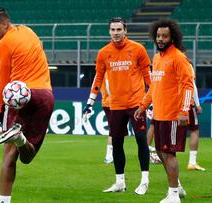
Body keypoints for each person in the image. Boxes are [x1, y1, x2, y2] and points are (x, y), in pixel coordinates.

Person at [0, 6, 54, 203]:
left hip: (20, 97)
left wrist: (0, 108)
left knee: (9, 156)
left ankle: (4, 202)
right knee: (27, 156)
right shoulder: (28, 31)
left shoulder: (4, 43)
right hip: (46, 95)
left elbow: (4, 78)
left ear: (5, 24)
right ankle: (21, 139)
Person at [82, 17, 151, 195]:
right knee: (117, 143)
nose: (116, 33)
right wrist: (90, 102)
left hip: (137, 104)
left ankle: (145, 180)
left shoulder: (138, 49)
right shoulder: (104, 53)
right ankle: (120, 182)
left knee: (141, 139)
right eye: (113, 30)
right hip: (115, 105)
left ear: (125, 30)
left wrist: (152, 100)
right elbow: (98, 79)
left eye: (119, 29)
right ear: (109, 31)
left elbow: (148, 77)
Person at [134, 18, 194, 203]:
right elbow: (154, 87)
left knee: (169, 154)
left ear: (172, 37)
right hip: (159, 114)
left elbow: (188, 85)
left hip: (174, 115)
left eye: (164, 36)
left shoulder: (178, 57)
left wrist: (184, 110)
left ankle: (174, 196)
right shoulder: (157, 57)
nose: (160, 39)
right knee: (160, 152)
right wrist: (143, 105)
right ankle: (178, 188)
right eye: (158, 35)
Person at [101, 75, 113, 164]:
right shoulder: (108, 71)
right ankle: (109, 156)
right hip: (112, 103)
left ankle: (111, 155)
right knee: (113, 131)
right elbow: (109, 86)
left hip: (105, 102)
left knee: (113, 131)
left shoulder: (101, 72)